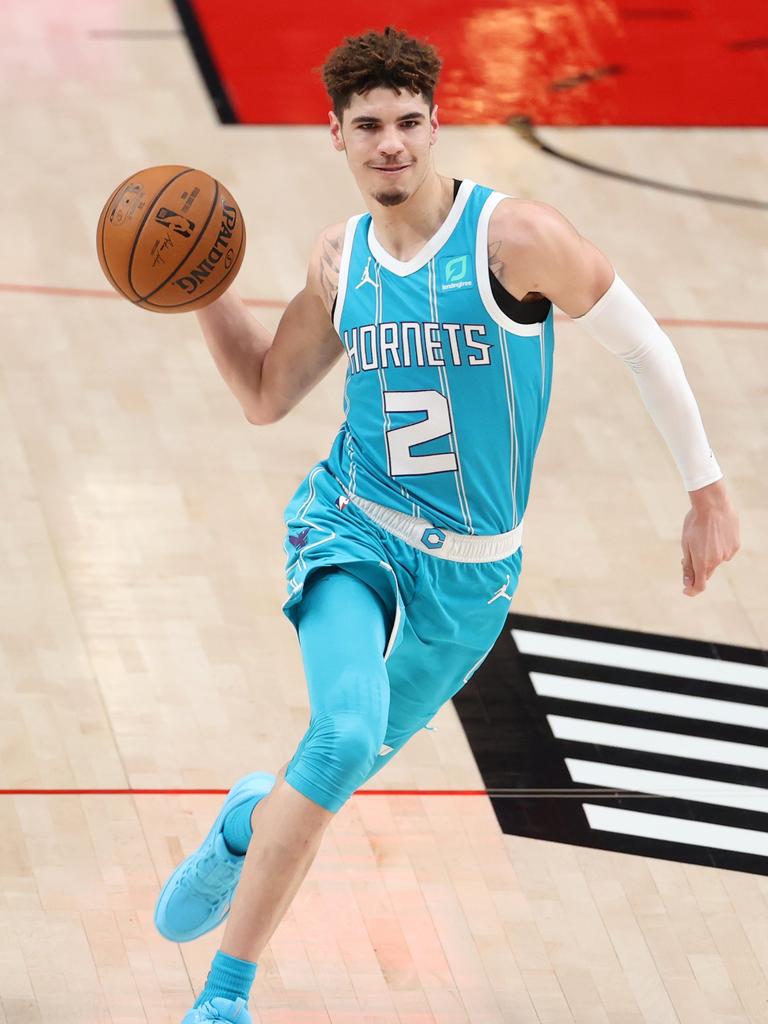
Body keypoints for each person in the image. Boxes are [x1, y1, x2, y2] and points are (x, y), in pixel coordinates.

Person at [155, 27, 741, 1024]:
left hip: (470, 581)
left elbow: (639, 341)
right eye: (369, 126)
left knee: (317, 786)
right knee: (339, 739)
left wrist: (708, 490)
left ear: (437, 124)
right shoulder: (341, 261)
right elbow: (264, 393)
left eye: (410, 122)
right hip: (353, 524)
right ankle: (223, 998)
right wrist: (203, 290)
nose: (392, 143)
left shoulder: (514, 239)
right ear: (334, 133)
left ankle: (251, 821)